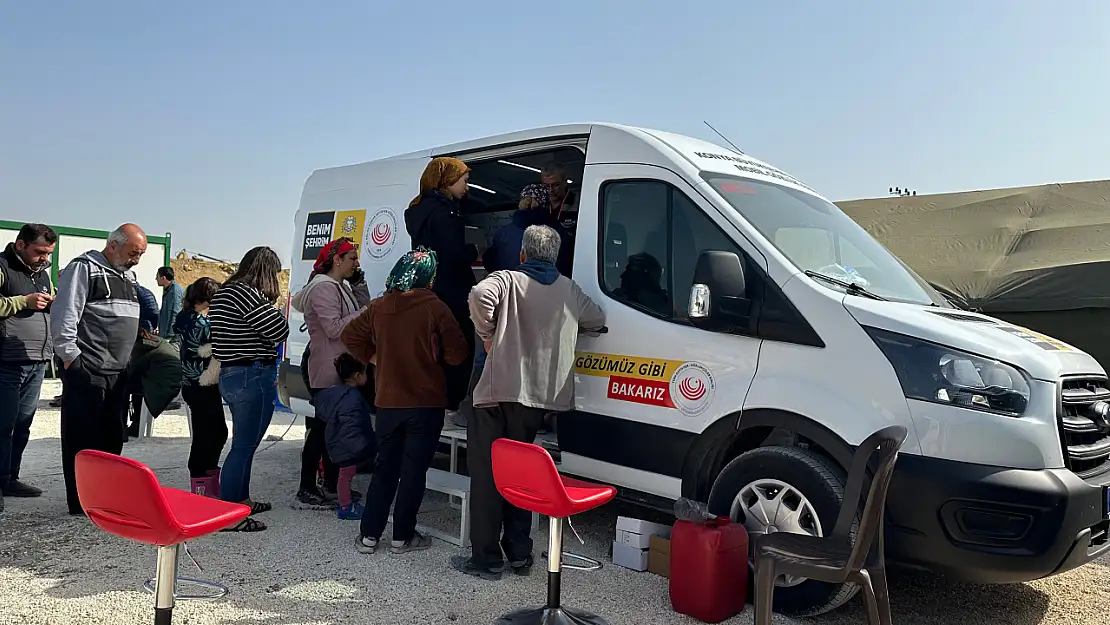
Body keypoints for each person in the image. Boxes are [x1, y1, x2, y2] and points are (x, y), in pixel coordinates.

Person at [452, 225, 605, 580]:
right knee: (520, 475)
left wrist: (488, 334)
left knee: (488, 476)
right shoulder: (569, 289)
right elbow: (597, 318)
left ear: (522, 254)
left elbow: (478, 296)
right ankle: (519, 554)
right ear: (554, 256)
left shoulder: (507, 279)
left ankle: (486, 560)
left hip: (494, 395)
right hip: (536, 400)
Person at [342, 248, 468, 554]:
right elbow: (458, 354)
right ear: (428, 276)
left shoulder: (379, 306)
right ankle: (402, 536)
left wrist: (375, 357)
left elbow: (349, 337)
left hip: (388, 402)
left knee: (385, 468)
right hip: (426, 404)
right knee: (413, 472)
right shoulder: (434, 307)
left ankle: (369, 536)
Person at [52, 223, 147, 516]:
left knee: (111, 437)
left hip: (117, 372)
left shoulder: (128, 276)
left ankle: (106, 498)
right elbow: (66, 313)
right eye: (133, 253)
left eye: (141, 254)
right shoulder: (84, 268)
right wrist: (71, 358)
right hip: (88, 368)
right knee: (82, 439)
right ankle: (81, 502)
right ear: (113, 245)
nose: (137, 260)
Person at [207, 245, 288, 531]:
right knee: (243, 446)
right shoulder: (249, 295)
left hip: (232, 373)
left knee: (245, 443)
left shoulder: (225, 292)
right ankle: (230, 514)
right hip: (252, 373)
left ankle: (241, 500)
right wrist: (278, 310)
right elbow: (280, 331)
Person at [289, 237, 372, 507]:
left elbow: (360, 311)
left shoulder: (340, 286)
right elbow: (335, 328)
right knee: (322, 429)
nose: (356, 264)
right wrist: (366, 312)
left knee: (333, 427)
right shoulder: (323, 288)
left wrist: (360, 286)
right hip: (326, 367)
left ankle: (331, 484)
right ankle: (307, 486)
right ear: (337, 260)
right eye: (352, 259)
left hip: (337, 364)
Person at [404, 157, 478, 412]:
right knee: (458, 344)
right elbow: (453, 254)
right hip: (452, 290)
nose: (467, 188)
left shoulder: (419, 209)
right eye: (464, 181)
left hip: (429, 289)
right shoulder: (445, 213)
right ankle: (452, 400)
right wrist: (473, 250)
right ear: (447, 181)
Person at [0, 223, 57, 512]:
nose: (44, 258)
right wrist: (24, 301)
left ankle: (10, 478)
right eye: (39, 252)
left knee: (22, 426)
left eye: (48, 253)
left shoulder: (42, 274)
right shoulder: (2, 267)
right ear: (20, 245)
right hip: (6, 361)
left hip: (37, 361)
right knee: (3, 424)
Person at [174, 277, 227, 497]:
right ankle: (203, 482)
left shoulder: (184, 317)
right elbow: (216, 345)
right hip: (203, 383)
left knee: (206, 432)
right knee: (214, 434)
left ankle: (205, 480)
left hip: (189, 384)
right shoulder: (202, 323)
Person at [313, 353, 377, 520]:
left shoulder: (334, 394)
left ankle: (345, 503)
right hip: (348, 444)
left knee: (343, 475)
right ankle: (346, 507)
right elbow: (352, 425)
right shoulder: (353, 397)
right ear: (357, 376)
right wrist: (362, 447)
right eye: (365, 373)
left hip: (337, 441)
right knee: (345, 475)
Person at [124, 284, 162, 440]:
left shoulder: (129, 291)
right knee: (136, 382)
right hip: (143, 334)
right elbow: (154, 313)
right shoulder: (144, 292)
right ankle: (136, 423)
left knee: (129, 381)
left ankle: (132, 424)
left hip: (138, 335)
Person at [540, 162, 578, 234]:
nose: (551, 190)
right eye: (547, 186)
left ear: (565, 182)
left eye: (556, 185)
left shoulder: (579, 205)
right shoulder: (540, 206)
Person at [156, 266, 185, 344]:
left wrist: (170, 335)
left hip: (171, 338)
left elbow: (176, 312)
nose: (156, 279)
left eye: (157, 276)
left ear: (163, 278)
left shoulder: (175, 291)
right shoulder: (169, 290)